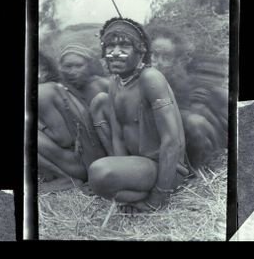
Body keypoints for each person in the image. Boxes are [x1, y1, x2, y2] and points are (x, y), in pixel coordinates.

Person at [89, 18, 189, 212]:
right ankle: (135, 191)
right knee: (100, 179)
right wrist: (122, 168)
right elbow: (118, 135)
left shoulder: (151, 78)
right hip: (138, 167)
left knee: (99, 172)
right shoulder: (115, 83)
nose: (115, 53)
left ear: (140, 50)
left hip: (164, 169)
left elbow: (172, 141)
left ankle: (156, 193)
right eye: (110, 45)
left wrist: (159, 195)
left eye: (125, 45)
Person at [147, 24, 228, 170]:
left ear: (176, 61)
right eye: (153, 54)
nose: (157, 62)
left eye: (165, 57)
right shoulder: (142, 79)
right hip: (157, 142)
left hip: (182, 139)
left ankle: (209, 162)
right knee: (195, 121)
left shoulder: (179, 79)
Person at [38, 44, 110, 192]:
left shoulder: (102, 85)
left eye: (78, 66)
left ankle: (64, 179)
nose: (73, 71)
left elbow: (63, 139)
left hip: (94, 161)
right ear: (60, 67)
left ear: (89, 66)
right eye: (67, 66)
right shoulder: (64, 87)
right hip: (91, 159)